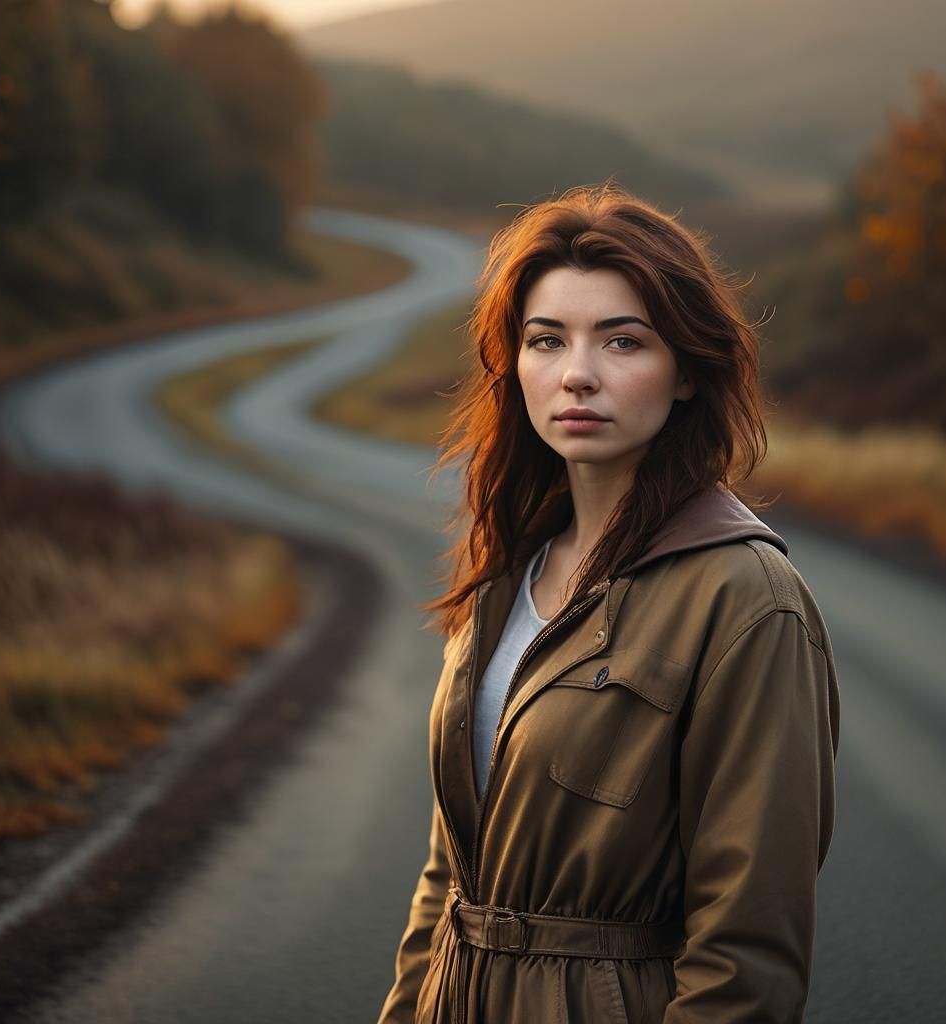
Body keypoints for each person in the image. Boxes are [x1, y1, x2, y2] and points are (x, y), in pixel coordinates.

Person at [376, 182, 840, 1024]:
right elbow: (448, 878)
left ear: (687, 372)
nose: (577, 374)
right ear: (515, 365)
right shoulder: (504, 575)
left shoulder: (746, 600)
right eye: (546, 340)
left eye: (623, 341)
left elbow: (747, 957)